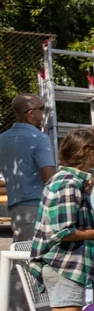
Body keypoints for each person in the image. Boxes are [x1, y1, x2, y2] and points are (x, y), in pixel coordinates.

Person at [28, 129, 94, 311]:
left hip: (69, 267)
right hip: (63, 266)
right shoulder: (68, 183)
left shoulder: (75, 182)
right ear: (87, 151)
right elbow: (62, 232)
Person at [3, 94, 57, 243]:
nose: (44, 112)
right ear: (31, 113)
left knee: (20, 250)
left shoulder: (3, 139)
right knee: (33, 254)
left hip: (15, 203)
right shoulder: (39, 138)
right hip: (37, 203)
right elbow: (48, 176)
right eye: (42, 108)